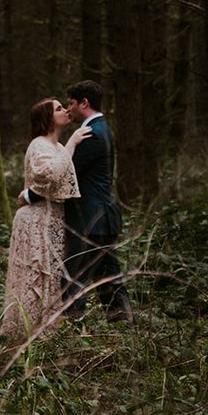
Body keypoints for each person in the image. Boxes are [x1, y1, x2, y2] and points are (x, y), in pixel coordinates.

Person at [2, 98, 89, 339]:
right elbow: (47, 174)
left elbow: (60, 183)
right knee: (36, 276)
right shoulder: (38, 145)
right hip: (35, 220)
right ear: (48, 118)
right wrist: (72, 144)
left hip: (53, 219)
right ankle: (29, 333)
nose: (64, 111)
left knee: (52, 276)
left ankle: (46, 332)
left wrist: (29, 194)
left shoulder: (58, 147)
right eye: (59, 108)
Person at [61, 80, 133, 323]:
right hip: (103, 217)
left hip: (89, 219)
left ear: (84, 103)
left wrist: (31, 195)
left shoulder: (90, 134)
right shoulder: (103, 127)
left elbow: (66, 173)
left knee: (75, 276)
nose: (67, 108)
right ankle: (122, 322)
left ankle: (71, 329)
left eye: (70, 103)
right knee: (108, 276)